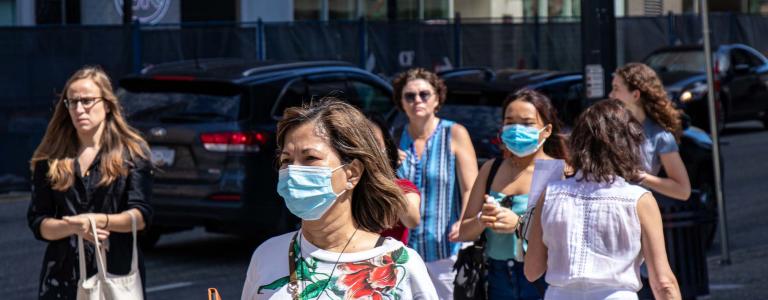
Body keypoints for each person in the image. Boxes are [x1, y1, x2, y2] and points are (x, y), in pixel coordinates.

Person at [241, 99, 437, 300]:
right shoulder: (266, 256)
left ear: (352, 173)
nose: (293, 171)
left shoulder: (402, 267)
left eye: (310, 158)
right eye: (286, 160)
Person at [524, 100, 681, 300]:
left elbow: (532, 270)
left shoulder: (551, 194)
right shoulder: (639, 200)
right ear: (628, 145)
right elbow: (663, 282)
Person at [27, 66, 153, 299]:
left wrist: (98, 221)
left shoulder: (132, 153)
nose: (78, 109)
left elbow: (141, 215)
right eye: (71, 102)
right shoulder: (51, 157)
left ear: (106, 104)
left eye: (87, 101)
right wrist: (74, 227)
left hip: (116, 273)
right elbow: (38, 222)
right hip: (62, 278)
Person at [458, 89, 568, 299]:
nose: (517, 129)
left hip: (542, 277)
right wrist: (483, 218)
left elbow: (565, 235)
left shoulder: (559, 172)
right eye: (510, 122)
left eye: (527, 123)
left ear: (546, 130)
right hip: (496, 276)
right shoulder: (491, 168)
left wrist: (518, 225)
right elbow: (464, 232)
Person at [391, 68, 479, 297]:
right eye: (409, 96)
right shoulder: (395, 137)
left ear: (437, 98)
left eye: (424, 94)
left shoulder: (454, 133)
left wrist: (464, 222)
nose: (417, 100)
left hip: (445, 248)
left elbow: (471, 187)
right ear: (401, 102)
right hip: (404, 250)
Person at [609, 62, 691, 201]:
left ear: (635, 95)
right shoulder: (606, 126)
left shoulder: (660, 136)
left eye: (616, 89)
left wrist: (641, 177)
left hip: (634, 216)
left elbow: (683, 190)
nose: (611, 95)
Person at [367, 114, 421, 244]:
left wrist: (381, 176)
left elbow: (412, 221)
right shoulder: (345, 185)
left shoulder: (404, 187)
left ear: (386, 147)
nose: (368, 149)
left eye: (375, 143)